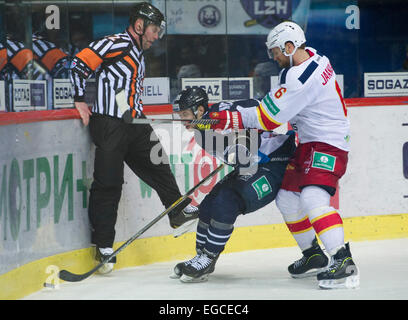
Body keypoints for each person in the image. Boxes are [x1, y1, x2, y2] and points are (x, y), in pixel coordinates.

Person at [207, 21, 359, 289]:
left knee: (313, 198)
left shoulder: (300, 78)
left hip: (328, 145)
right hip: (309, 143)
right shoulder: (312, 55)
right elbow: (279, 107)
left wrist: (226, 119)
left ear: (290, 47)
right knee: (287, 198)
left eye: (275, 51)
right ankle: (313, 255)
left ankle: (342, 260)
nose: (273, 56)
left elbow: (267, 118)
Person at [70, 2, 198, 274]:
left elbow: (119, 87)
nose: (156, 36)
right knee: (109, 183)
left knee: (159, 163)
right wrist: (80, 99)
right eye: (153, 30)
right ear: (139, 26)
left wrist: (130, 111)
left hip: (134, 122)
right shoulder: (115, 43)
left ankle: (177, 212)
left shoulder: (138, 53)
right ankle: (104, 247)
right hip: (109, 124)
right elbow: (79, 62)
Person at [171, 87, 296, 283]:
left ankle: (209, 257)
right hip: (252, 166)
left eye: (185, 114)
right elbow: (237, 157)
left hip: (275, 161)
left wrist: (234, 126)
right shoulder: (200, 135)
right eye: (180, 115)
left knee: (226, 201)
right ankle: (201, 256)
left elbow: (258, 107)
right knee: (208, 204)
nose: (182, 120)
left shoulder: (222, 110)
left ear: (200, 110)